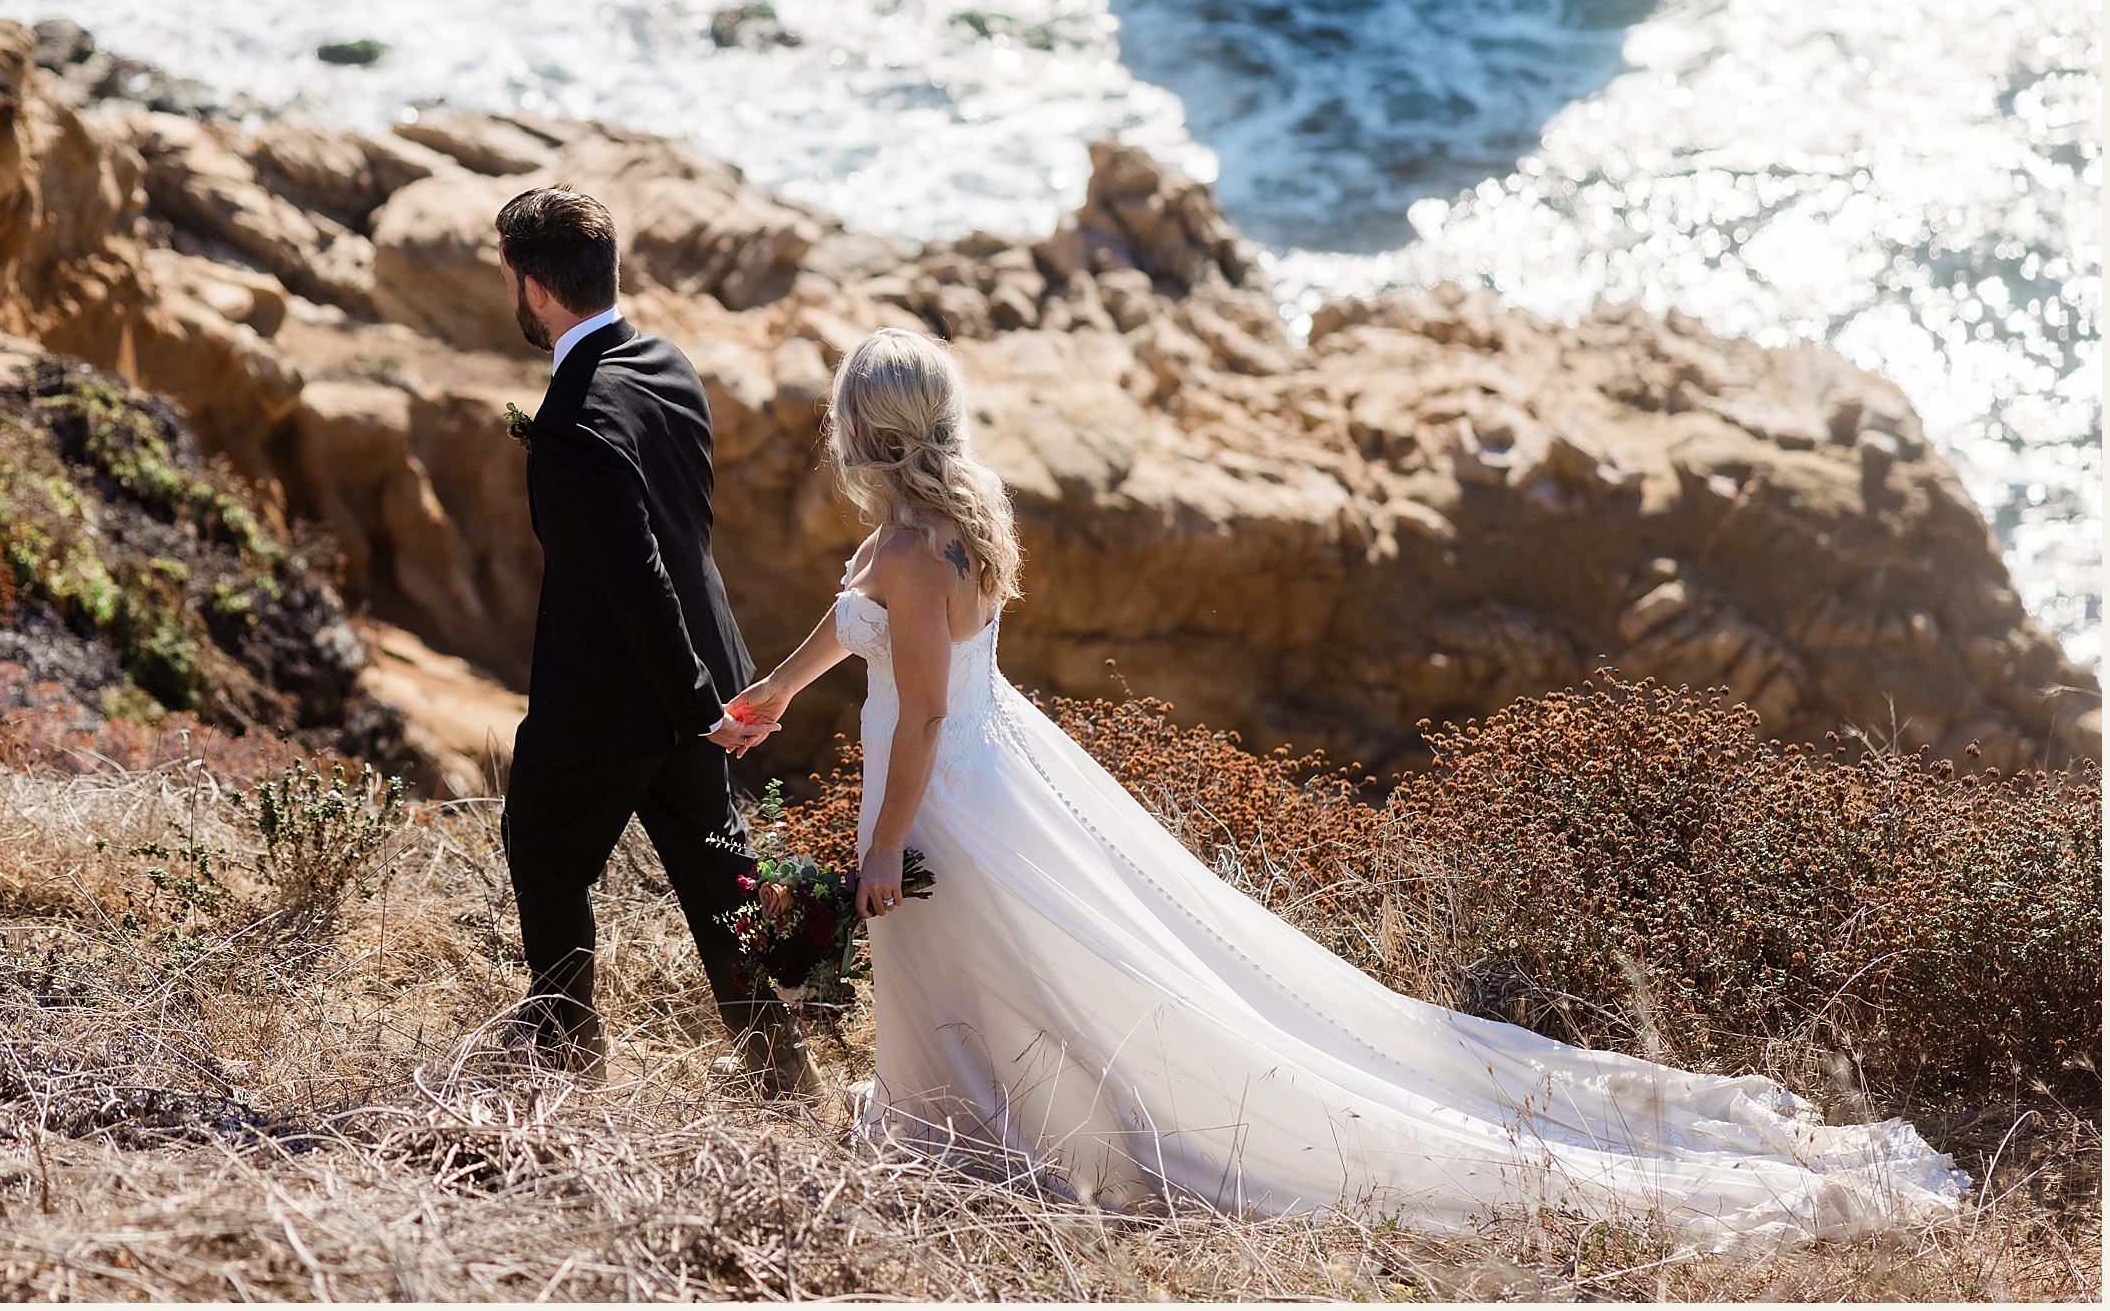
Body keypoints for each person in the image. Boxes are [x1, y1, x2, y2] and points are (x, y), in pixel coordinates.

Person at [726, 326, 1967, 1247]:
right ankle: (954, 1122)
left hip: (947, 781)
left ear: (862, 429)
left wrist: (883, 844)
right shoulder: (953, 515)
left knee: (1028, 966)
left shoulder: (906, 538)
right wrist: (777, 692)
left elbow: (930, 703)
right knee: (995, 966)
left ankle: (986, 1139)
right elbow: (866, 628)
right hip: (983, 767)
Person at [493, 186, 821, 1099]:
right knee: (718, 875)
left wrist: (695, 707)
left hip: (615, 699)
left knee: (544, 850)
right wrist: (714, 695)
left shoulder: (571, 425)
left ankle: (567, 1063)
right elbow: (690, 542)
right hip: (700, 673)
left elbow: (636, 575)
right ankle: (782, 1074)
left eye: (510, 281)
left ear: (534, 287)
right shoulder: (669, 365)